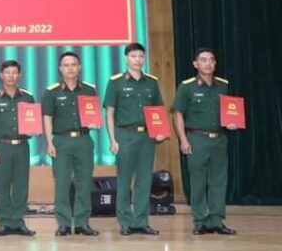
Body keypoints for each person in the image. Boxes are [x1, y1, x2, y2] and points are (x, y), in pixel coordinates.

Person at [172, 47, 237, 236]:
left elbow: (229, 110)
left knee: (219, 181)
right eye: (203, 60)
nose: (208, 63)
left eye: (211, 60)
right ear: (195, 64)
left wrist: (231, 122)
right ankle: (200, 221)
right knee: (198, 181)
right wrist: (183, 139)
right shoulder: (186, 87)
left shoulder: (223, 85)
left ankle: (217, 220)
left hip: (219, 139)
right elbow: (178, 114)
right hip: (196, 139)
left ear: (215, 63)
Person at [103, 42, 165, 236]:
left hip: (147, 136)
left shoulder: (152, 82)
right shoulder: (115, 82)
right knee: (124, 181)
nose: (138, 60)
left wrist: (160, 131)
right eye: (133, 56)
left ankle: (141, 221)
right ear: (126, 58)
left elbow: (158, 110)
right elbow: (110, 113)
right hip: (125, 135)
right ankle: (125, 222)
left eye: (140, 56)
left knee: (144, 181)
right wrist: (112, 139)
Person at [42, 52, 99, 237]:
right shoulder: (52, 92)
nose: (70, 68)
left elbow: (93, 113)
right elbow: (47, 118)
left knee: (84, 183)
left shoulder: (89, 90)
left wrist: (95, 122)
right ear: (60, 69)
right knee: (62, 183)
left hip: (84, 140)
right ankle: (64, 223)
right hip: (62, 141)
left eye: (74, 64)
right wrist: (49, 142)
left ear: (79, 67)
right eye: (66, 65)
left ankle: (82, 222)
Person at [0, 60, 36, 237]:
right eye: (7, 72)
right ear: (1, 75)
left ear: (20, 75)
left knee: (21, 185)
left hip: (22, 146)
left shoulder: (28, 98)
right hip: (1, 147)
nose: (11, 76)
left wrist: (33, 129)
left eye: (14, 72)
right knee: (2, 185)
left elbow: (33, 121)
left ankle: (18, 220)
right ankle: (4, 222)